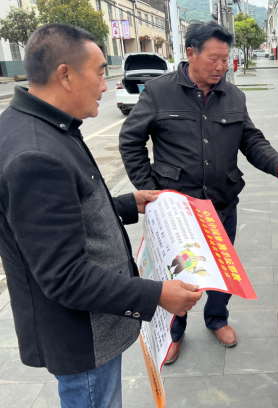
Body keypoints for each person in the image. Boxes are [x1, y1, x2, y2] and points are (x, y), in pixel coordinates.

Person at [0, 24, 202, 407]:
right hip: (82, 334)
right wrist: (157, 294)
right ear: (65, 76)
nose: (105, 87)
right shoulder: (36, 154)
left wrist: (128, 203)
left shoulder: (43, 124)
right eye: (99, 73)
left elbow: (66, 213)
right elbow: (65, 276)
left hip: (91, 325)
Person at [119, 21, 278, 361]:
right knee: (179, 273)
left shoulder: (234, 96)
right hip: (176, 210)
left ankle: (217, 318)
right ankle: (175, 331)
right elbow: (130, 141)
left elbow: (251, 139)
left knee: (222, 268)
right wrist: (151, 192)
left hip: (221, 203)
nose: (221, 66)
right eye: (214, 58)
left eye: (225, 59)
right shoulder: (158, 92)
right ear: (191, 53)